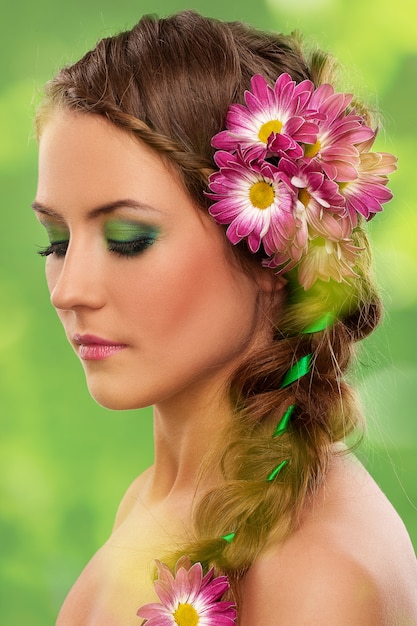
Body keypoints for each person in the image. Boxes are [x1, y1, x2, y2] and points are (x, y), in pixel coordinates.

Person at [32, 10, 417, 625]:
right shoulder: (156, 499)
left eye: (129, 238)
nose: (68, 289)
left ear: (280, 243)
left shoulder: (318, 575)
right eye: (54, 241)